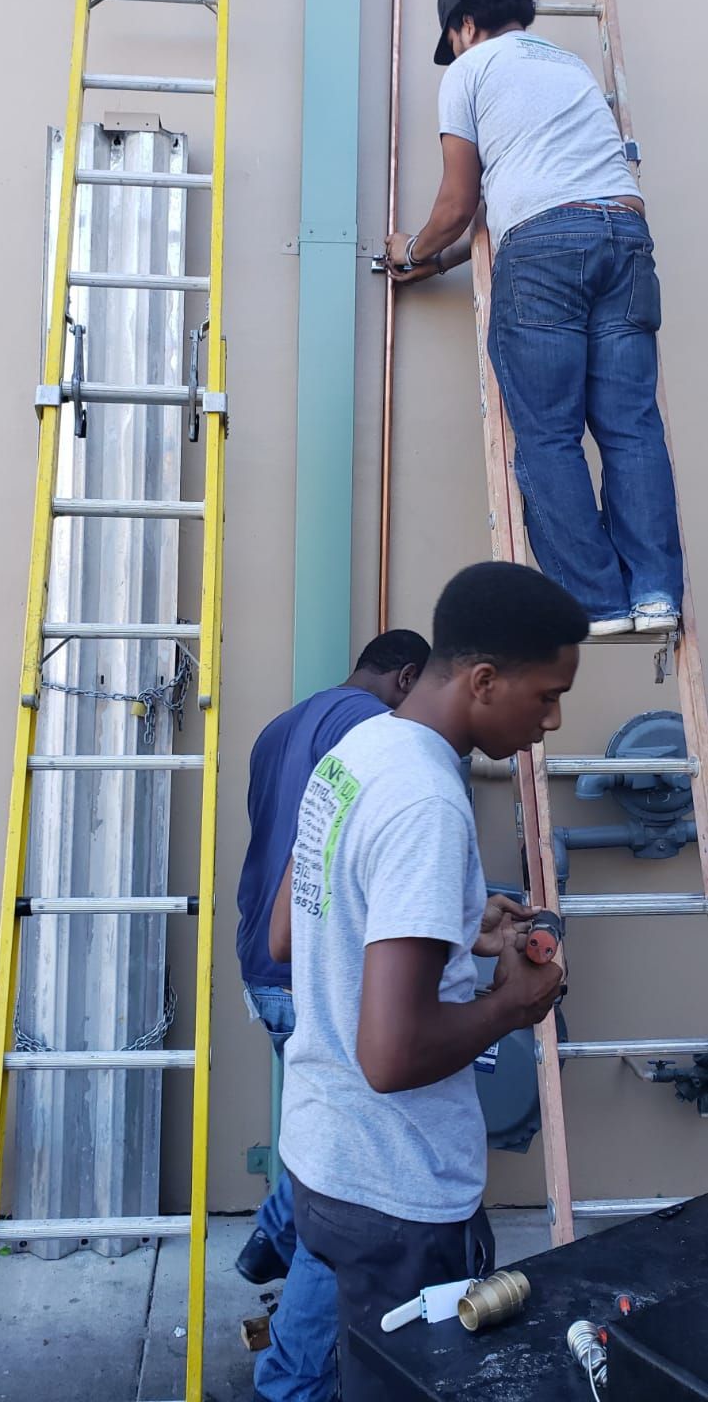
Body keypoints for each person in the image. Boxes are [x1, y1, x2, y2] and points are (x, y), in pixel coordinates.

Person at [271, 561, 588, 1402]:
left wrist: (455, 920)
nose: (552, 720)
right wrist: (511, 1004)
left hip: (323, 1155)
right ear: (482, 681)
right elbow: (392, 1056)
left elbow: (290, 933)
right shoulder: (427, 802)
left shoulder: (358, 750)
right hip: (397, 1190)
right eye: (546, 695)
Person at [385, 0, 682, 637]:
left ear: (465, 24)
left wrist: (411, 252)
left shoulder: (469, 70)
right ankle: (655, 594)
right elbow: (528, 197)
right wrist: (445, 258)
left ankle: (597, 601)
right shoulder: (568, 65)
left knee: (548, 434)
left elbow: (459, 203)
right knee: (631, 428)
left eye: (452, 37)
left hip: (545, 251)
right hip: (624, 237)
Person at [236, 628, 431, 1402]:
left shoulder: (278, 729)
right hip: (315, 973)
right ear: (405, 678)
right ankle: (291, 1382)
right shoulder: (373, 732)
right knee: (349, 1194)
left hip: (264, 967)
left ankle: (273, 1235)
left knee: (321, 1144)